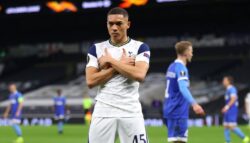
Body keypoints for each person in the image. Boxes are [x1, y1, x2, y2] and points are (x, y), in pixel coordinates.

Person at [86, 7, 150, 143]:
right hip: (103, 112)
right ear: (107, 25)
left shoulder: (140, 47)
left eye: (119, 23)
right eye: (111, 24)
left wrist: (110, 61)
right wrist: (119, 65)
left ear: (128, 24)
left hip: (131, 112)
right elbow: (91, 81)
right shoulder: (96, 49)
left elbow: (139, 74)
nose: (114, 27)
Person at [163, 41, 205, 143]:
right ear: (186, 53)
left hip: (170, 108)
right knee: (180, 141)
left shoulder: (171, 66)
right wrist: (194, 104)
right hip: (178, 110)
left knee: (176, 141)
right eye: (191, 51)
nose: (192, 54)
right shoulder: (181, 69)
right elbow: (183, 88)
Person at [222, 76, 249, 143]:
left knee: (232, 127)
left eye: (224, 80)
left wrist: (226, 107)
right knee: (226, 126)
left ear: (228, 81)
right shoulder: (228, 89)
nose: (223, 82)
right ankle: (228, 141)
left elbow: (233, 99)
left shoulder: (232, 89)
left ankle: (245, 138)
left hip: (232, 109)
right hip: (228, 110)